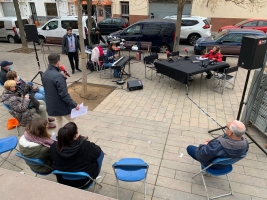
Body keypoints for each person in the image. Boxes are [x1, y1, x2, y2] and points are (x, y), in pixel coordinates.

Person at [50, 122, 104, 188]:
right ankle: (95, 175)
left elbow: (52, 160)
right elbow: (98, 151)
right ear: (75, 135)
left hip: (63, 181)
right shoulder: (86, 146)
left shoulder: (53, 147)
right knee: (100, 153)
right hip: (84, 182)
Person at [42, 53, 80, 130]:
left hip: (51, 104)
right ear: (58, 62)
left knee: (58, 120)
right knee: (73, 120)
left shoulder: (45, 74)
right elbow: (64, 94)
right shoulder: (58, 76)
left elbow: (52, 86)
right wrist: (74, 105)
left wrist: (63, 78)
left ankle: (59, 136)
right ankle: (76, 137)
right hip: (61, 105)